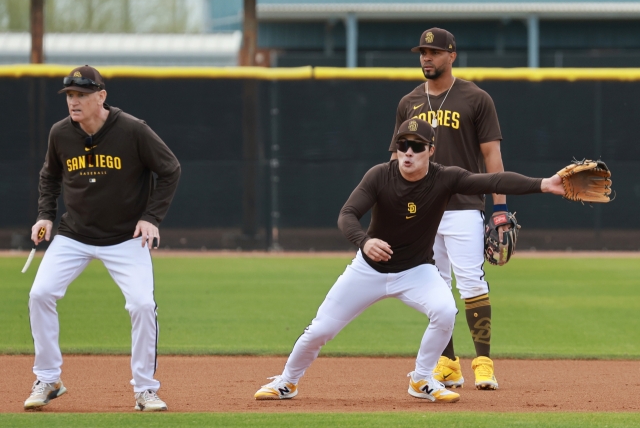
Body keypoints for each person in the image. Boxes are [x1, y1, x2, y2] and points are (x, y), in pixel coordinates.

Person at [254, 118, 565, 402]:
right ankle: (287, 381)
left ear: (430, 150)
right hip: (368, 270)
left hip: (416, 271)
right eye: (402, 144)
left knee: (445, 311)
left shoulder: (445, 179)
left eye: (416, 146)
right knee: (321, 329)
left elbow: (494, 181)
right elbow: (347, 215)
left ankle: (421, 379)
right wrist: (365, 241)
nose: (408, 151)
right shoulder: (379, 175)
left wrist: (545, 184)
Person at [24, 65, 181, 412]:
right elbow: (49, 176)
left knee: (142, 305)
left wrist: (151, 217)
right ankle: (49, 379)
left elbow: (170, 169)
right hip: (74, 234)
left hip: (126, 238)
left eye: (81, 95)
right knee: (40, 294)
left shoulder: (133, 130)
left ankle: (145, 390)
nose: (74, 102)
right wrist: (45, 215)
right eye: (69, 95)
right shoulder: (60, 134)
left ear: (101, 97)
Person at [389, 27, 509, 390]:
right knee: (436, 287)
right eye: (422, 52)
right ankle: (448, 363)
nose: (426, 57)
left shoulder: (476, 98)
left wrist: (500, 211)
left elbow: (492, 156)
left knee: (470, 280)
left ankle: (484, 363)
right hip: (422, 209)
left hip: (463, 205)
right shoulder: (409, 102)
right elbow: (397, 159)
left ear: (451, 55)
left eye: (434, 52)